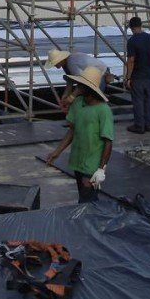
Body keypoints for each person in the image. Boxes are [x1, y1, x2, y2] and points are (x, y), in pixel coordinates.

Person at [45, 66, 113, 203]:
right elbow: (72, 130)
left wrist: (101, 169)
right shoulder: (78, 104)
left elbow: (108, 141)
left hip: (92, 164)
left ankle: (91, 223)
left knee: (87, 200)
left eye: (81, 85)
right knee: (84, 196)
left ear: (89, 88)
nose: (78, 88)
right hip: (78, 160)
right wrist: (57, 152)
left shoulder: (103, 110)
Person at [123, 16, 150, 134]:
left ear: (131, 27)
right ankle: (147, 124)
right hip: (149, 74)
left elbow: (131, 60)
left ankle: (139, 125)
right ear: (140, 25)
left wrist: (128, 77)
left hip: (138, 75)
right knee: (148, 100)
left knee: (138, 100)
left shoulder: (132, 41)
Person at [45, 49, 110, 110]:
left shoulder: (71, 64)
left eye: (55, 63)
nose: (55, 65)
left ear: (61, 60)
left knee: (94, 98)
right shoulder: (66, 63)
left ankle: (102, 114)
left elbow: (83, 82)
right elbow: (70, 81)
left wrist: (71, 97)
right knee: (85, 97)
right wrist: (65, 95)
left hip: (101, 72)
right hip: (92, 73)